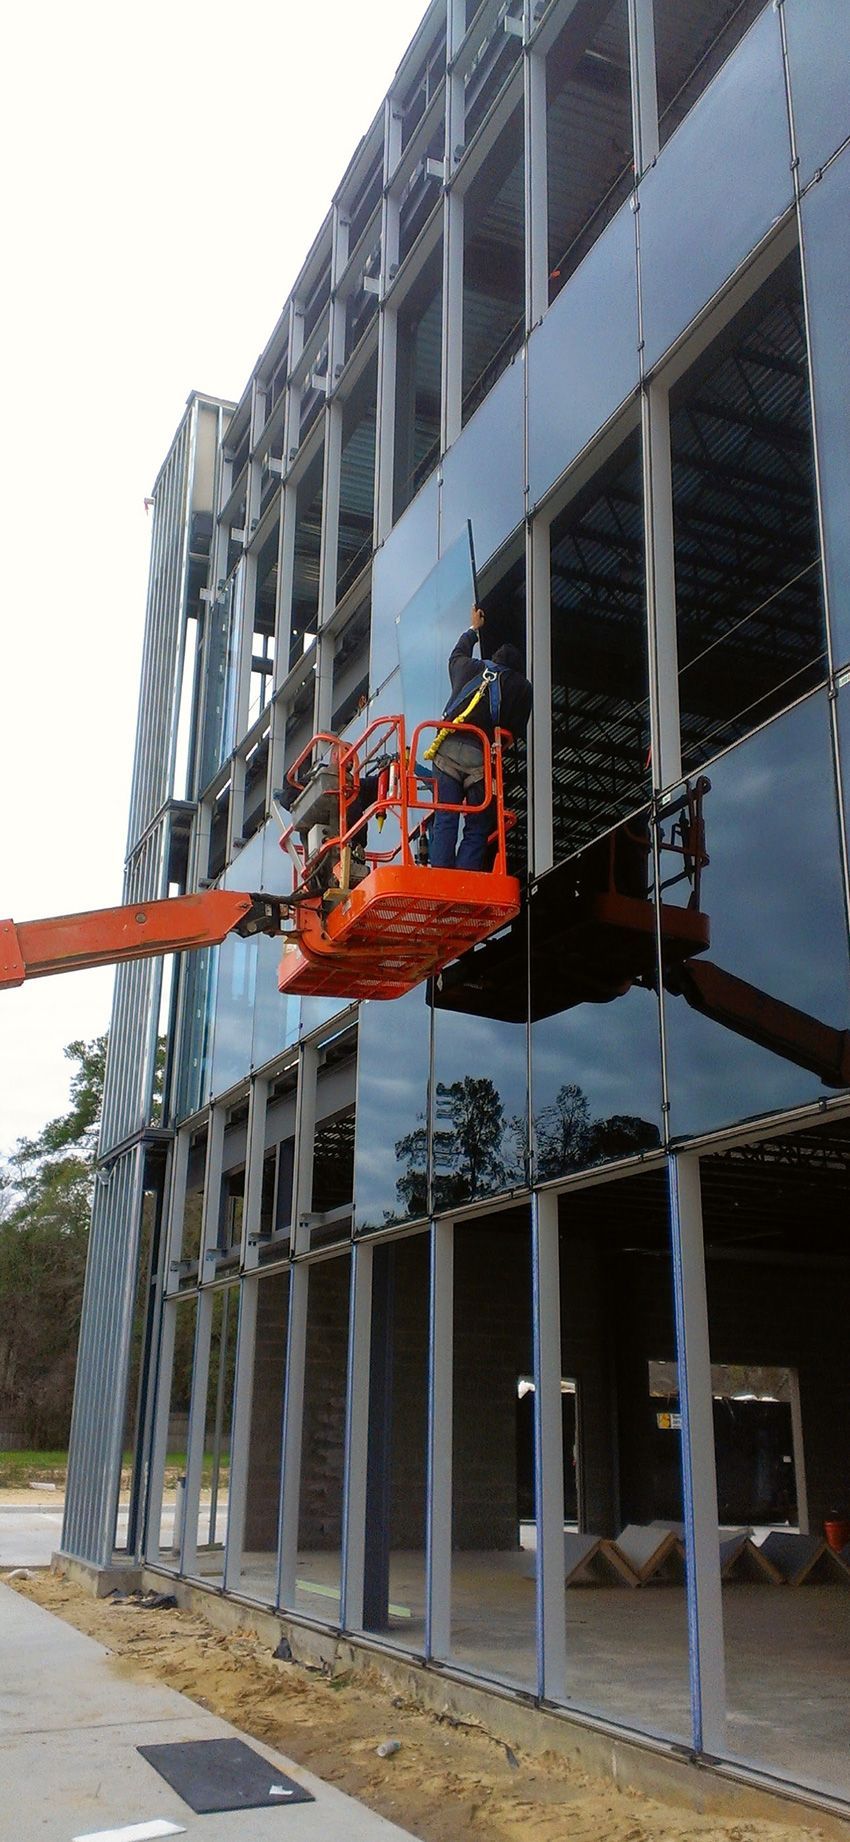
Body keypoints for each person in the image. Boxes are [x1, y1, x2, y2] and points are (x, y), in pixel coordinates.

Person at [428, 606, 532, 871]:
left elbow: (456, 654)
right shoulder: (520, 686)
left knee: (446, 816)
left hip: (446, 750)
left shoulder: (470, 667)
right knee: (477, 825)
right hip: (481, 758)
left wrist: (473, 629)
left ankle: (440, 872)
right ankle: (466, 875)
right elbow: (516, 728)